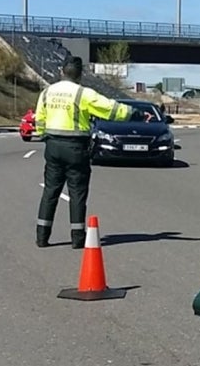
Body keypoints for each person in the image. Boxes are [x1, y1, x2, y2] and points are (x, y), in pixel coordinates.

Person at [34, 56, 147, 249]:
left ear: (62, 71)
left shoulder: (47, 92)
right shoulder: (83, 94)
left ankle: (42, 237)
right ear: (80, 75)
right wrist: (135, 114)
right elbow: (110, 109)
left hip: (53, 146)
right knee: (77, 192)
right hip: (76, 147)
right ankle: (77, 238)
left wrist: (44, 136)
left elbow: (40, 119)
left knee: (50, 191)